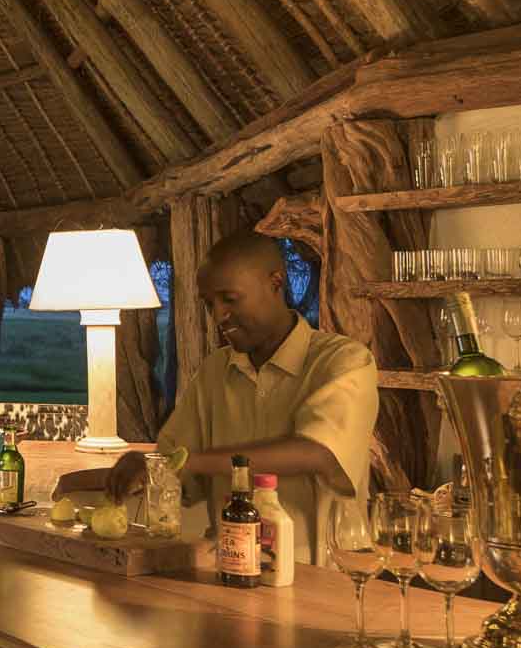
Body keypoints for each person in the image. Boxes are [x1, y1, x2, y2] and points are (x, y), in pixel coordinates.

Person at [54, 231, 378, 564]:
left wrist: (189, 462)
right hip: (228, 568)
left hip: (318, 577)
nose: (218, 314)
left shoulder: (344, 361)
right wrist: (83, 481)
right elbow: (170, 468)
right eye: (209, 303)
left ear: (276, 283)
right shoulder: (215, 372)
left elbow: (317, 452)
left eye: (230, 298)